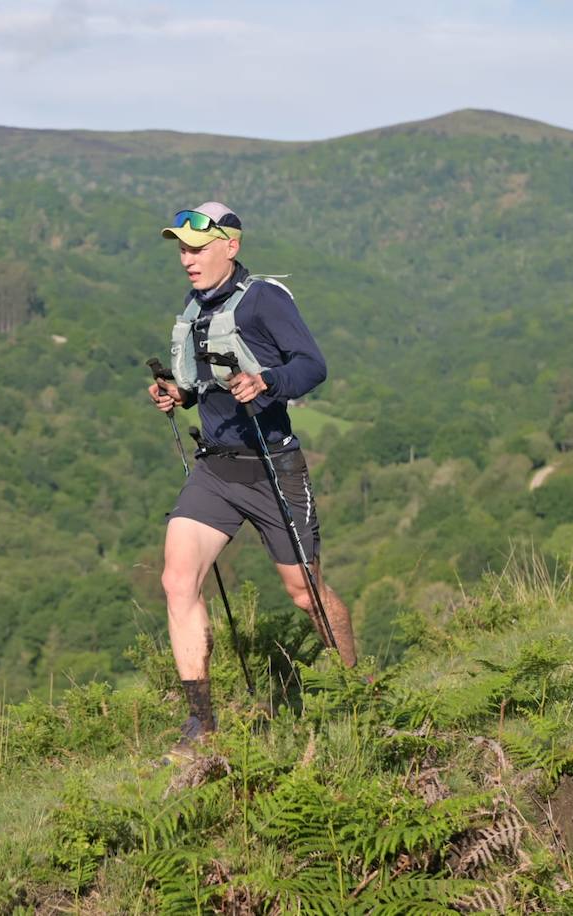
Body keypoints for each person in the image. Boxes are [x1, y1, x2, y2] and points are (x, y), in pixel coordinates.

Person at [147, 201, 358, 757]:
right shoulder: (195, 308)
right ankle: (200, 727)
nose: (187, 260)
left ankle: (356, 695)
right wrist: (177, 394)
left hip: (272, 467)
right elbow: (203, 386)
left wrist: (267, 380)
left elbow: (312, 365)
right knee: (177, 580)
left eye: (197, 248)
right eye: (182, 250)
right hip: (216, 467)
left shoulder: (265, 299)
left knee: (304, 594)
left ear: (230, 247)